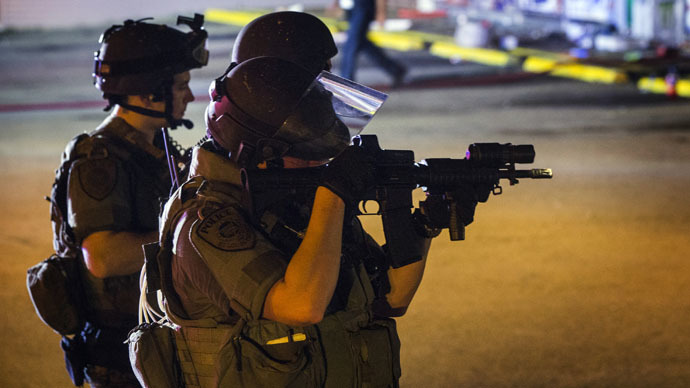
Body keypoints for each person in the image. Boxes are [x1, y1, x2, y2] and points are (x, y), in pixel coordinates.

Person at [141, 55, 434, 387]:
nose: (322, 160)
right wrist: (333, 194)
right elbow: (300, 306)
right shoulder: (206, 222)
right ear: (259, 154)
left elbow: (391, 299)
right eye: (305, 150)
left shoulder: (299, 201)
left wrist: (425, 224)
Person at [56, 15, 208, 387]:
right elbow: (103, 257)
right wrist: (186, 233)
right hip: (119, 355)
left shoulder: (155, 144)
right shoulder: (100, 158)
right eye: (181, 85)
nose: (189, 96)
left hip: (152, 337)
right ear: (148, 93)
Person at [339, 0, 407, 86]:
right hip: (349, 7)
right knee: (361, 42)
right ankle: (395, 69)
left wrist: (381, 11)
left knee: (351, 44)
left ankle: (346, 80)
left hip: (362, 6)